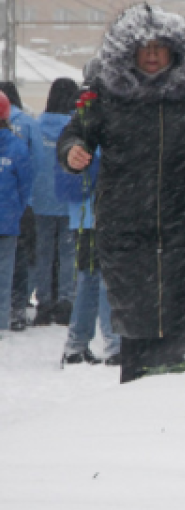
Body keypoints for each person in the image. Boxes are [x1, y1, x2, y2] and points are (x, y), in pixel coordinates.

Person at [58, 4, 185, 382]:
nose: (152, 54)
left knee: (177, 322)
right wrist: (73, 152)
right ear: (129, 50)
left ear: (175, 50)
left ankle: (172, 392)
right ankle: (136, 393)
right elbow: (76, 132)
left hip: (182, 222)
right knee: (135, 324)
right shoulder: (106, 89)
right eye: (144, 46)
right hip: (124, 225)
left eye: (160, 46)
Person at [56, 144, 120, 365]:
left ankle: (77, 345)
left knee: (90, 280)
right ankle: (113, 344)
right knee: (104, 280)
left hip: (84, 219)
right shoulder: (94, 141)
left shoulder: (75, 138)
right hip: (99, 218)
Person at [31, 77, 80, 326]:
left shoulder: (36, 125)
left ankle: (44, 302)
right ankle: (65, 302)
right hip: (68, 197)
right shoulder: (74, 128)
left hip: (40, 199)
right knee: (68, 253)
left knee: (44, 252)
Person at [0, 82, 40, 328]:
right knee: (6, 273)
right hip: (8, 220)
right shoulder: (17, 145)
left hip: (9, 217)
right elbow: (26, 183)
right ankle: (3, 320)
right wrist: (17, 209)